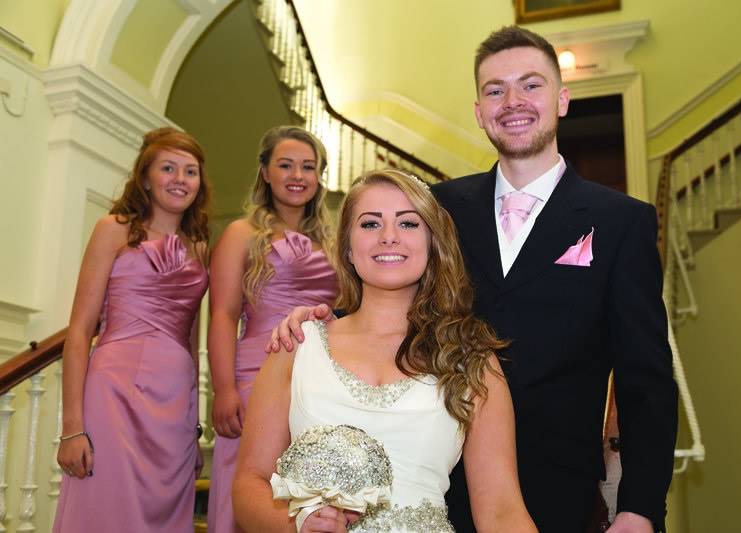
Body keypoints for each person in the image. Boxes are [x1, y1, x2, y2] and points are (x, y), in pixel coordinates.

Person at [270, 27, 678, 533]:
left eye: (531, 85)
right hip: (433, 481)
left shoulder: (621, 221)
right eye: (494, 90)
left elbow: (646, 381)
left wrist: (638, 508)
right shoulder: (435, 207)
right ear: (479, 110)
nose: (513, 102)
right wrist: (318, 320)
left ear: (562, 99)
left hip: (558, 489)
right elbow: (384, 288)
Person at [233, 170, 537, 533]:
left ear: (432, 243)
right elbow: (248, 484)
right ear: (347, 245)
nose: (389, 237)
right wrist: (297, 525)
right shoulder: (297, 345)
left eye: (408, 224)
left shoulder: (470, 358)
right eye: (370, 223)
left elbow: (502, 511)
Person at [53, 127, 211, 532]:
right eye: (168, 168)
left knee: (165, 514)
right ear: (145, 177)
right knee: (108, 507)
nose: (180, 179)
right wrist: (72, 428)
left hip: (175, 401)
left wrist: (194, 427)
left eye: (190, 171)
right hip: (116, 392)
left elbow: (191, 344)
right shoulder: (114, 228)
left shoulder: (199, 247)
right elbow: (78, 332)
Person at [206, 126, 338, 533]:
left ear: (319, 177)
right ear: (265, 172)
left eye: (308, 167)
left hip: (319, 375)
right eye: (285, 165)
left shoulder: (334, 242)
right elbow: (224, 315)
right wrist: (223, 388)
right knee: (248, 480)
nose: (297, 175)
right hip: (255, 372)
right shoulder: (241, 234)